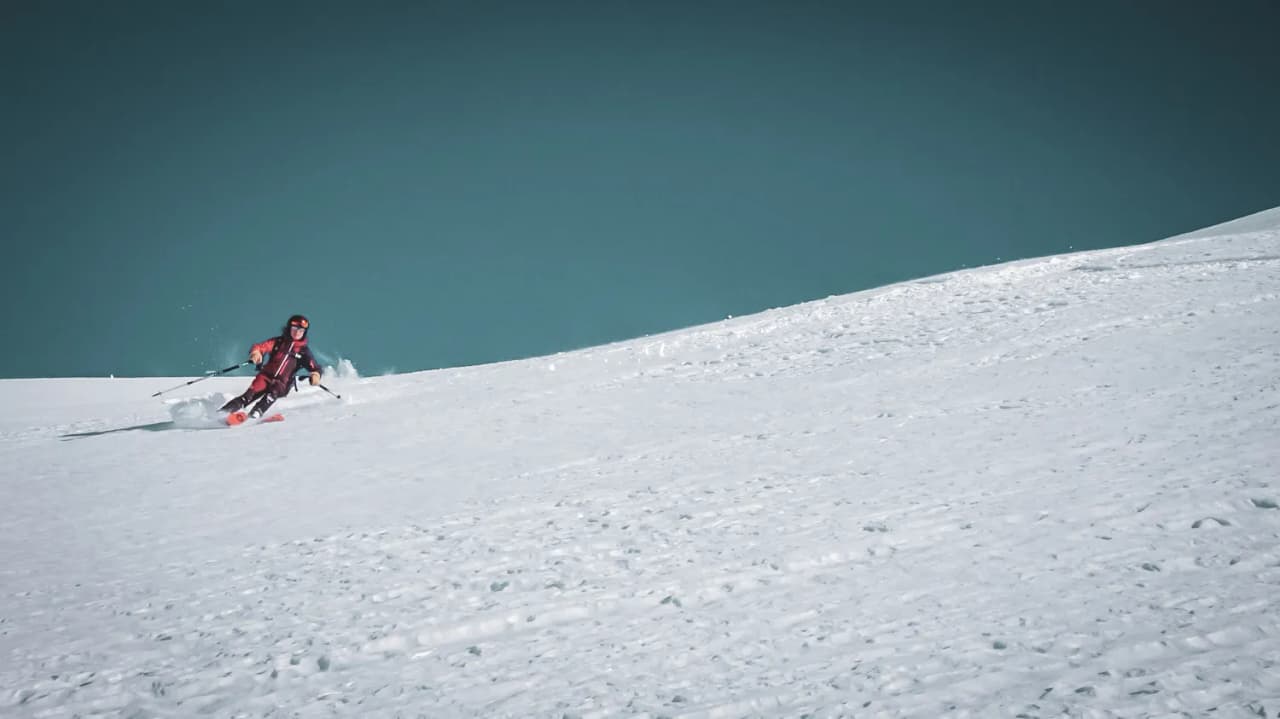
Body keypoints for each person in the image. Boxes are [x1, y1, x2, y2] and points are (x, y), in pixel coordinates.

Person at [220, 314, 322, 419]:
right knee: (248, 395)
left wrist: (316, 375)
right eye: (294, 329)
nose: (297, 333)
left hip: (283, 383)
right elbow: (261, 347)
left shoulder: (303, 351)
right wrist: (256, 353)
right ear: (289, 328)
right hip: (265, 377)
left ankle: (255, 414)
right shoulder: (278, 342)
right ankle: (222, 413)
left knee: (272, 394)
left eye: (301, 331)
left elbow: (315, 367)